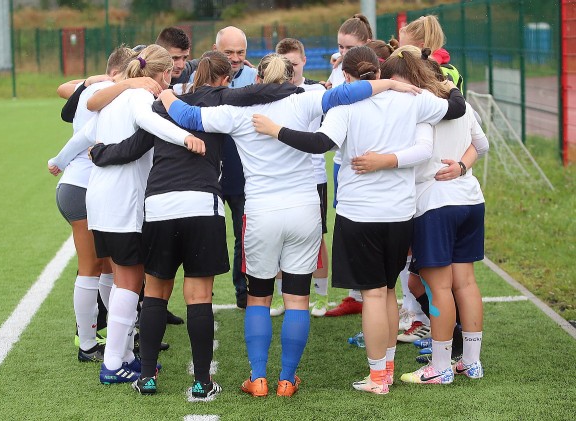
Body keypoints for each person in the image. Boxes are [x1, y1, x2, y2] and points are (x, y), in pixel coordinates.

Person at [162, 53, 421, 397]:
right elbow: (348, 93)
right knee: (297, 299)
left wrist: (164, 91)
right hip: (304, 211)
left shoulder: (236, 111)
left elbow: (186, 115)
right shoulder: (305, 99)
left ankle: (258, 378)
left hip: (261, 212)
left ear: (257, 79)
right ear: (289, 79)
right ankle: (286, 379)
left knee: (258, 297)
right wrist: (388, 83)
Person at [89, 50, 305, 397]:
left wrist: (100, 153)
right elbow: (261, 91)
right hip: (202, 205)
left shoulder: (165, 106)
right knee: (199, 296)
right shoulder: (223, 100)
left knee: (156, 293)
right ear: (225, 79)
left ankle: (146, 377)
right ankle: (202, 382)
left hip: (159, 206)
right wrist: (297, 88)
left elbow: (132, 147)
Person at [251, 46, 466, 395]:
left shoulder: (345, 105)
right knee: (388, 291)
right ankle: (387, 368)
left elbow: (319, 143)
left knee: (373, 295)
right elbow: (457, 107)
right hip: (400, 213)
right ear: (378, 73)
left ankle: (378, 377)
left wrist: (276, 130)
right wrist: (446, 79)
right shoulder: (412, 99)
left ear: (347, 78)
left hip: (359, 213)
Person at [49, 44, 205, 385]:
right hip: (124, 202)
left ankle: (125, 357)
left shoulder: (112, 100)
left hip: (99, 202)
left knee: (121, 280)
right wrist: (186, 137)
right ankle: (112, 364)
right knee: (130, 284)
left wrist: (57, 161)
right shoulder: (139, 98)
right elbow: (151, 122)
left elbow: (84, 135)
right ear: (164, 73)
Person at [399, 55, 489, 385]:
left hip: (434, 203)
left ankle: (440, 366)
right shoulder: (459, 105)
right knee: (466, 283)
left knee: (438, 288)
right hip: (470, 200)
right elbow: (481, 144)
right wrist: (462, 167)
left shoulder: (418, 107)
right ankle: (471, 362)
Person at [50, 46, 135, 362]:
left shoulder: (100, 88)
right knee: (91, 267)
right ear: (119, 73)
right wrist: (59, 160)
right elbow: (86, 135)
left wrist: (89, 80)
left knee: (110, 265)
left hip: (85, 186)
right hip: (82, 188)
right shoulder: (110, 92)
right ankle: (87, 344)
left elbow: (67, 89)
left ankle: (123, 336)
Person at [270, 37, 330, 318]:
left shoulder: (316, 90)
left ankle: (321, 296)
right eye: (284, 65)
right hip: (279, 177)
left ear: (304, 61)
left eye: (294, 63)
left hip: (313, 176)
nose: (290, 70)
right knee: (278, 237)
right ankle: (280, 296)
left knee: (317, 237)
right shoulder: (271, 92)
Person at [324, 13, 373, 318]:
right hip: (342, 161)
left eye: (349, 48)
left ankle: (389, 300)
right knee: (347, 226)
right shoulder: (339, 67)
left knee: (369, 229)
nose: (343, 53)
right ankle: (357, 295)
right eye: (340, 47)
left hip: (369, 162)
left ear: (367, 44)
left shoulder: (377, 74)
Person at [213, 26, 259, 309]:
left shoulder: (255, 77)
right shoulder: (199, 78)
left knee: (245, 235)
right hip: (208, 173)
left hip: (245, 173)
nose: (235, 58)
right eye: (228, 52)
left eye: (240, 52)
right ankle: (200, 294)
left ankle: (243, 291)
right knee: (205, 237)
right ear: (215, 50)